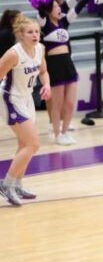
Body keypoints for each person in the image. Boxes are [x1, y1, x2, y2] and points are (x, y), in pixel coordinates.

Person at [0, 16, 51, 206]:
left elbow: (44, 71)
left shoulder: (40, 49)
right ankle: (6, 184)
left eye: (37, 31)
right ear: (21, 35)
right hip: (10, 99)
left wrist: (46, 85)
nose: (35, 35)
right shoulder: (13, 54)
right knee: (33, 144)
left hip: (27, 98)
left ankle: (17, 184)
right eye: (30, 32)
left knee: (24, 145)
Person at [38, 0, 90, 146]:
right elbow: (40, 7)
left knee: (69, 103)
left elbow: (79, 6)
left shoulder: (64, 22)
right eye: (55, 7)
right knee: (57, 103)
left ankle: (65, 132)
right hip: (55, 66)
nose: (59, 9)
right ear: (48, 11)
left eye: (59, 6)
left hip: (68, 63)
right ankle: (57, 133)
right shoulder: (44, 24)